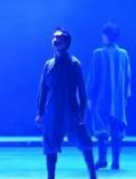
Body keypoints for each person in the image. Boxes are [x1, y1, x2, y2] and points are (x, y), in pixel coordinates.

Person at [36, 29, 97, 179]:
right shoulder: (48, 65)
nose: (55, 40)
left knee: (84, 142)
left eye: (59, 38)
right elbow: (43, 89)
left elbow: (81, 89)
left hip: (71, 110)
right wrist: (40, 112)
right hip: (53, 111)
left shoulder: (74, 64)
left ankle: (92, 174)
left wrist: (82, 111)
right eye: (54, 37)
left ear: (66, 42)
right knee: (50, 145)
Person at [85, 22, 131, 170]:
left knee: (101, 130)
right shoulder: (123, 54)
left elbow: (94, 77)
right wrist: (125, 96)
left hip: (101, 98)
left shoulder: (98, 53)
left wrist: (89, 97)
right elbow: (128, 77)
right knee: (117, 130)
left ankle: (102, 159)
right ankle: (116, 161)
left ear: (105, 36)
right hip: (118, 99)